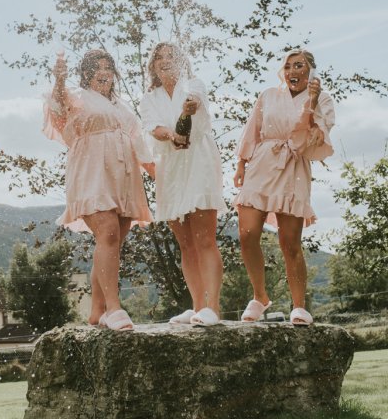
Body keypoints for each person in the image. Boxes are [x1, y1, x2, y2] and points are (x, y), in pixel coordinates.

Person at [43, 49, 155, 330]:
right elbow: (57, 106)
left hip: (124, 177)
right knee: (107, 233)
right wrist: (58, 80)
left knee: (111, 242)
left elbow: (139, 144)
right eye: (97, 67)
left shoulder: (121, 105)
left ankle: (97, 311)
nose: (103, 72)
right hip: (92, 173)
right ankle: (115, 308)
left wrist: (161, 176)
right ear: (87, 73)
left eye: (108, 67)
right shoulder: (77, 97)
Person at [233, 49, 335, 325]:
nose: (291, 71)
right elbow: (252, 129)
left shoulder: (323, 99)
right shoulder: (268, 95)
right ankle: (259, 296)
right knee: (247, 233)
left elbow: (309, 140)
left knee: (290, 242)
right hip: (261, 163)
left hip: (293, 165)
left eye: (298, 65)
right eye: (287, 66)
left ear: (310, 71)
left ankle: (299, 305)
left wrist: (311, 102)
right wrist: (241, 163)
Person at [140, 42, 227, 326]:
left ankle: (212, 307)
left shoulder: (194, 83)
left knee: (204, 239)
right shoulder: (149, 99)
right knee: (186, 244)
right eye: (159, 57)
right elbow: (154, 128)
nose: (165, 61)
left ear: (181, 61)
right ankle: (197, 306)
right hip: (170, 169)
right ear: (152, 66)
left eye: (170, 56)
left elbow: (195, 101)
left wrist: (189, 109)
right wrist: (171, 135)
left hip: (199, 163)